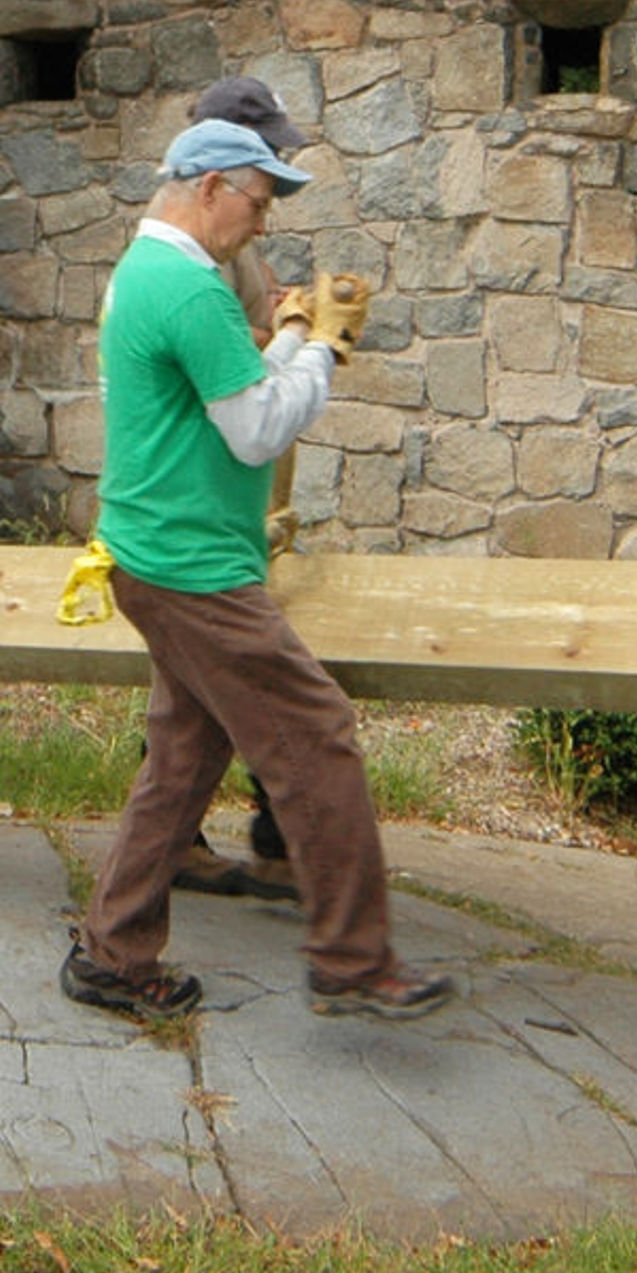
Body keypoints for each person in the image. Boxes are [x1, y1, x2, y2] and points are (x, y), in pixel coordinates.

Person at [64, 119, 453, 1024]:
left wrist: (291, 335)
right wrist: (325, 347)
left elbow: (230, 392)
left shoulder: (150, 273)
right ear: (208, 186)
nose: (264, 222)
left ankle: (115, 955)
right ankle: (354, 962)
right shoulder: (190, 289)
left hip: (155, 553)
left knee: (184, 760)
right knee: (317, 735)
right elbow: (258, 429)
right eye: (259, 199)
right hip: (192, 568)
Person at [168, 74, 306, 907]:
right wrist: (297, 331)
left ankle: (186, 846)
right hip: (209, 503)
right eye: (265, 169)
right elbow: (216, 359)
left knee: (194, 697)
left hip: (245, 499)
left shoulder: (231, 238)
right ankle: (288, 847)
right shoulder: (183, 254)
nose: (277, 177)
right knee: (275, 693)